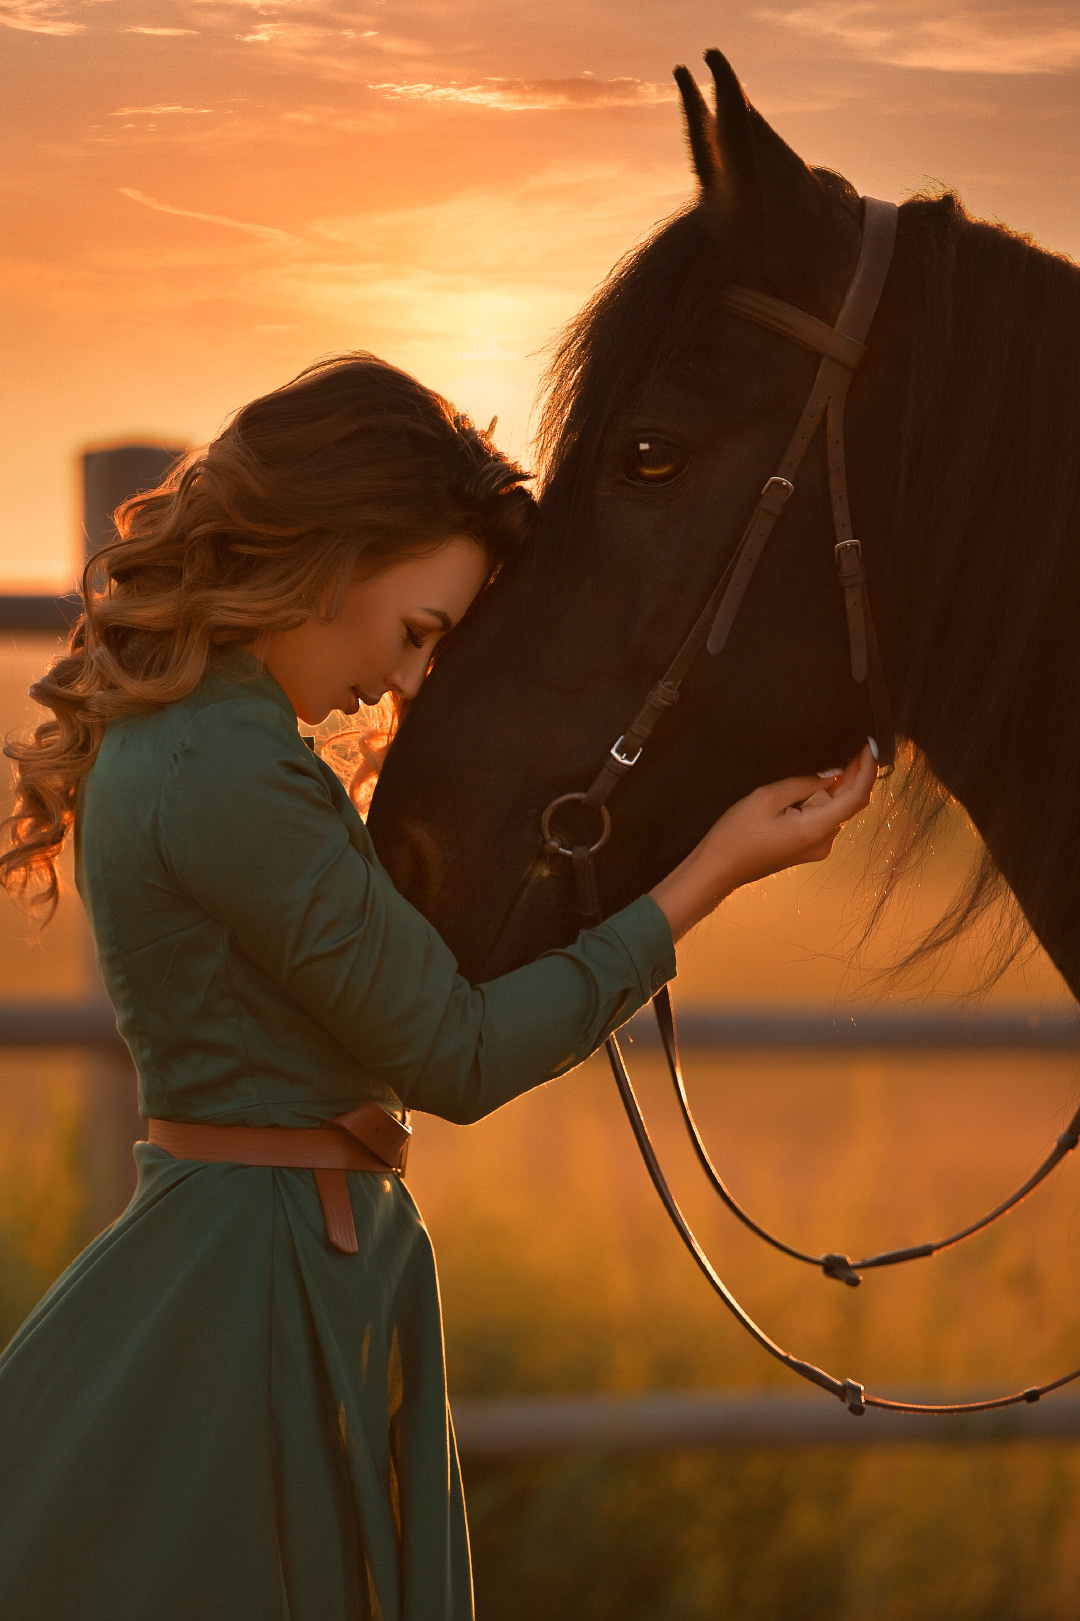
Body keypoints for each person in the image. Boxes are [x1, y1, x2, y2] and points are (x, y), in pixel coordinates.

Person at [0, 353, 876, 1621]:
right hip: (258, 1281)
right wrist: (711, 872)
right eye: (421, 635)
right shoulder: (233, 769)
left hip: (265, 1256)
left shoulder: (205, 739)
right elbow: (456, 1055)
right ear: (340, 549)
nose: (411, 682)